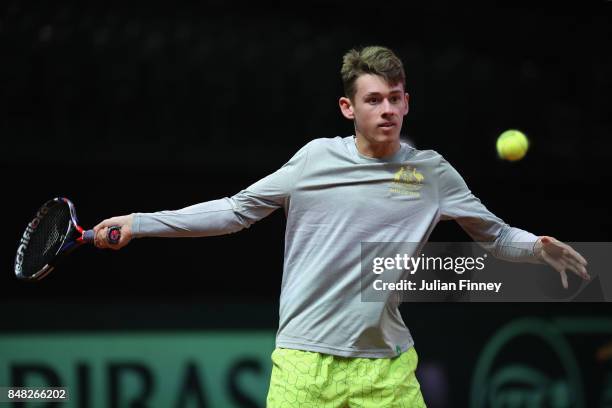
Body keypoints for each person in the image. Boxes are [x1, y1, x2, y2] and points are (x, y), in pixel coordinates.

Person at [93, 45, 589, 407]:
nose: (388, 109)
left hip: (388, 371)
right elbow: (235, 210)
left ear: (408, 102)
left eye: (395, 98)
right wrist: (140, 223)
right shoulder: (314, 160)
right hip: (303, 366)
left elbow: (496, 235)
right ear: (348, 109)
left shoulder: (432, 173)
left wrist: (537, 248)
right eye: (374, 100)